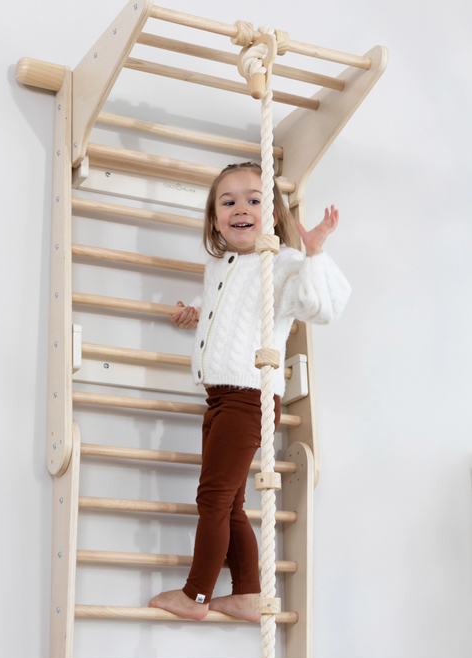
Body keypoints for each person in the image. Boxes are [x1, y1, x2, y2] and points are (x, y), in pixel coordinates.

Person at [148, 162, 351, 621]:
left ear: (272, 216)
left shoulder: (282, 263)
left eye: (253, 200)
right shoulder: (219, 265)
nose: (241, 208)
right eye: (229, 201)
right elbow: (223, 305)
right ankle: (246, 594)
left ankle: (196, 595)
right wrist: (193, 312)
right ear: (215, 218)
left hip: (249, 398)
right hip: (219, 398)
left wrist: (314, 253)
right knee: (231, 502)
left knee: (213, 499)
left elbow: (321, 306)